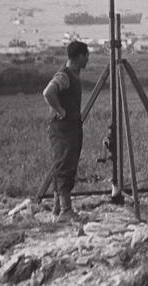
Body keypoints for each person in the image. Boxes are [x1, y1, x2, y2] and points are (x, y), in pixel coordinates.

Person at [43, 40, 89, 220]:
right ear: (79, 57)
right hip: (63, 127)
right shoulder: (64, 76)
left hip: (72, 125)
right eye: (86, 57)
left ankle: (57, 207)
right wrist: (60, 110)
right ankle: (65, 210)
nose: (88, 60)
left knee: (63, 165)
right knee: (64, 166)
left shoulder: (73, 74)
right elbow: (48, 93)